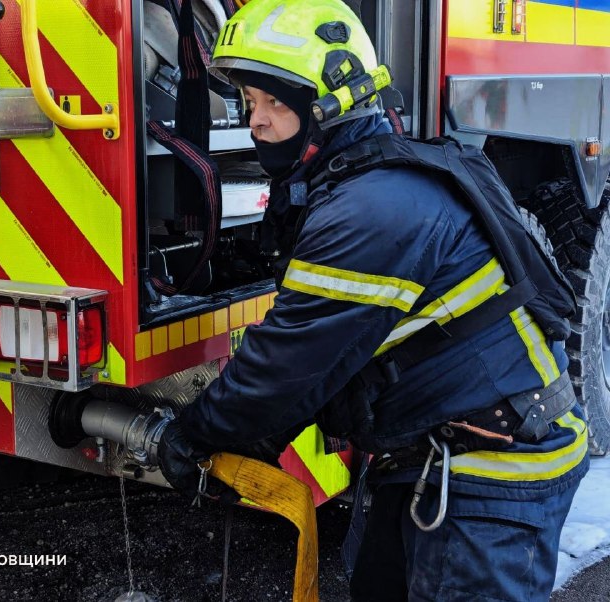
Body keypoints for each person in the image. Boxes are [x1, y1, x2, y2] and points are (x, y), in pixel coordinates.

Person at [157, 1, 589, 600]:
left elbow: (289, 363)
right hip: (436, 454)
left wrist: (196, 434)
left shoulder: (371, 210)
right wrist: (256, 435)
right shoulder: (368, 184)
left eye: (275, 103)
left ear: (329, 107)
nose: (256, 122)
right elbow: (331, 357)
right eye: (250, 102)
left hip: (491, 478)